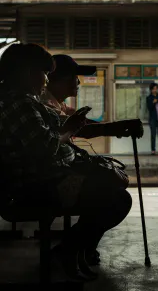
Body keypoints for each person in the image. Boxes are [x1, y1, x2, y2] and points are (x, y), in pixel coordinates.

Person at [0, 43, 141, 281]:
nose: (46, 79)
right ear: (26, 73)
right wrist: (69, 129)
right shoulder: (19, 105)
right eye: (43, 73)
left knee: (111, 189)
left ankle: (71, 250)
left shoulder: (25, 102)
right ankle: (68, 251)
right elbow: (45, 147)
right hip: (37, 184)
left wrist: (107, 127)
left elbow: (63, 128)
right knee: (115, 198)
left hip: (47, 176)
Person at [40, 54, 143, 265]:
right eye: (73, 77)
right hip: (50, 178)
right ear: (56, 80)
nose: (77, 82)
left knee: (110, 192)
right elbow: (81, 128)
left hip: (58, 172)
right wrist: (116, 128)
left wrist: (117, 126)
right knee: (112, 196)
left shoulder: (56, 103)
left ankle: (81, 246)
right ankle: (73, 247)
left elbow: (82, 123)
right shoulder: (45, 105)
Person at [146, 83, 158, 155]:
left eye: (156, 88)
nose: (155, 90)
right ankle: (153, 150)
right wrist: (153, 103)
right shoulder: (149, 98)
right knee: (153, 135)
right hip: (152, 119)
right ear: (151, 89)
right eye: (153, 89)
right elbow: (149, 108)